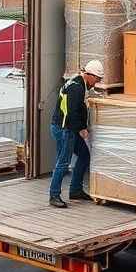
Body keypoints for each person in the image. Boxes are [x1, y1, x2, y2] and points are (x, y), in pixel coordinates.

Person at [48, 60, 103, 208]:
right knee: (63, 162)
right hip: (65, 128)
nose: (96, 83)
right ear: (89, 75)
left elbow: (79, 108)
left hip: (68, 127)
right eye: (96, 79)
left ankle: (76, 190)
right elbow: (72, 112)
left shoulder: (78, 83)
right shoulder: (76, 88)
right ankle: (54, 195)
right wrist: (82, 129)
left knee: (84, 155)